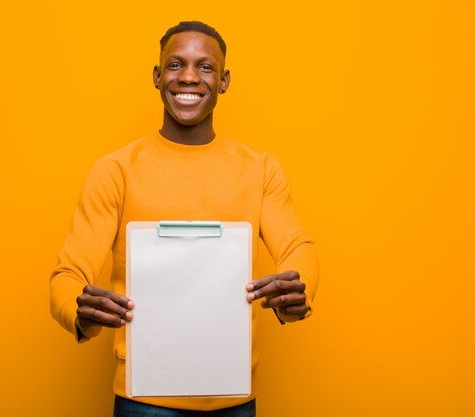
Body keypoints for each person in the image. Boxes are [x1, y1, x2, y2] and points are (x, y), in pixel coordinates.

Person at [50, 21, 318, 417]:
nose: (189, 76)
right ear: (157, 77)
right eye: (175, 65)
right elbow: (68, 273)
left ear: (224, 80)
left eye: (204, 67)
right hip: (143, 402)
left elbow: (298, 249)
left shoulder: (259, 170)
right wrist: (79, 309)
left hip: (234, 401)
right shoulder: (116, 171)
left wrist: (297, 290)